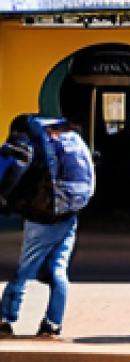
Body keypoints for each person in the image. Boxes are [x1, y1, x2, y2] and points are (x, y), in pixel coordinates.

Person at [0, 115, 95, 339]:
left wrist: (4, 197)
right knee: (58, 270)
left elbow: (20, 164)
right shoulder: (66, 135)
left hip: (42, 215)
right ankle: (53, 323)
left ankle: (5, 318)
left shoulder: (29, 133)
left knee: (25, 270)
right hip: (69, 212)